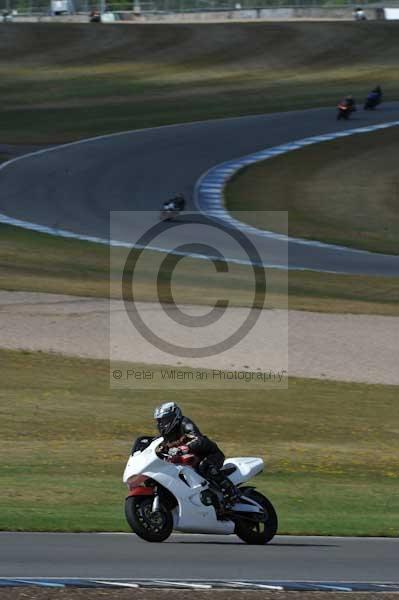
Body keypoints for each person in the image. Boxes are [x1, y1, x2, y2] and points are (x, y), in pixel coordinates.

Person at [154, 402, 238, 504]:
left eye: (165, 420)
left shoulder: (185, 423)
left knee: (205, 467)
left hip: (209, 454)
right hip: (191, 459)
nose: (162, 424)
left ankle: (232, 493)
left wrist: (184, 448)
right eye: (160, 421)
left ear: (174, 416)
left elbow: (199, 439)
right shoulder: (167, 434)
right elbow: (160, 445)